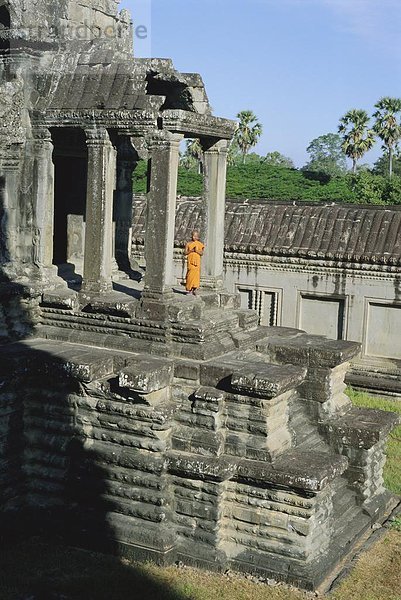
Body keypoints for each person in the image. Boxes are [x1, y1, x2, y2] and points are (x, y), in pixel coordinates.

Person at [185, 230, 205, 295]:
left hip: (197, 261)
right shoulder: (188, 244)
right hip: (190, 262)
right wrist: (191, 251)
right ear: (191, 236)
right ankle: (189, 289)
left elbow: (201, 253)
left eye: (196, 236)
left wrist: (196, 251)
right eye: (194, 236)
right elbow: (185, 252)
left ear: (198, 237)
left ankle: (195, 289)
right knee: (190, 275)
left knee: (196, 275)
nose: (195, 237)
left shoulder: (199, 244)